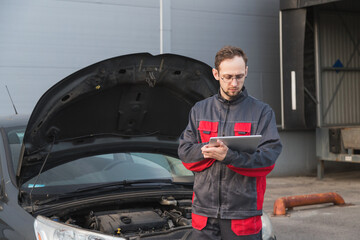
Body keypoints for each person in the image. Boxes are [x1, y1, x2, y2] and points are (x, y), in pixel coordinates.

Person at [178, 46, 282, 240]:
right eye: (228, 77)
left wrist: (230, 157)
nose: (234, 83)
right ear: (216, 74)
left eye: (239, 76)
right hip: (204, 215)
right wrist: (207, 152)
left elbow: (268, 158)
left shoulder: (261, 112)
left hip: (242, 215)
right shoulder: (200, 110)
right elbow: (184, 152)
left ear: (246, 72)